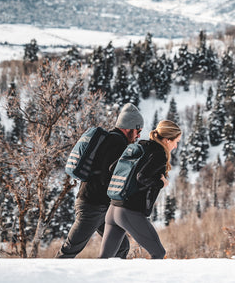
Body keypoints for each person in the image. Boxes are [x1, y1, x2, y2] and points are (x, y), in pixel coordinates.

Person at [56, 103, 144, 259]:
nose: (138, 135)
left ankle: (108, 280)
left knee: (121, 248)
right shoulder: (117, 144)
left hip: (100, 206)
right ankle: (47, 277)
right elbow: (108, 176)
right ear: (128, 127)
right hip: (92, 206)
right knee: (70, 249)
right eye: (138, 131)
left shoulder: (110, 140)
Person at [99, 120, 182, 259]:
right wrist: (161, 183)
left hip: (113, 209)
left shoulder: (141, 146)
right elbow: (142, 176)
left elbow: (113, 167)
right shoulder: (158, 153)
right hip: (128, 212)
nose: (176, 145)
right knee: (158, 253)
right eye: (176, 141)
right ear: (167, 140)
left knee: (104, 258)